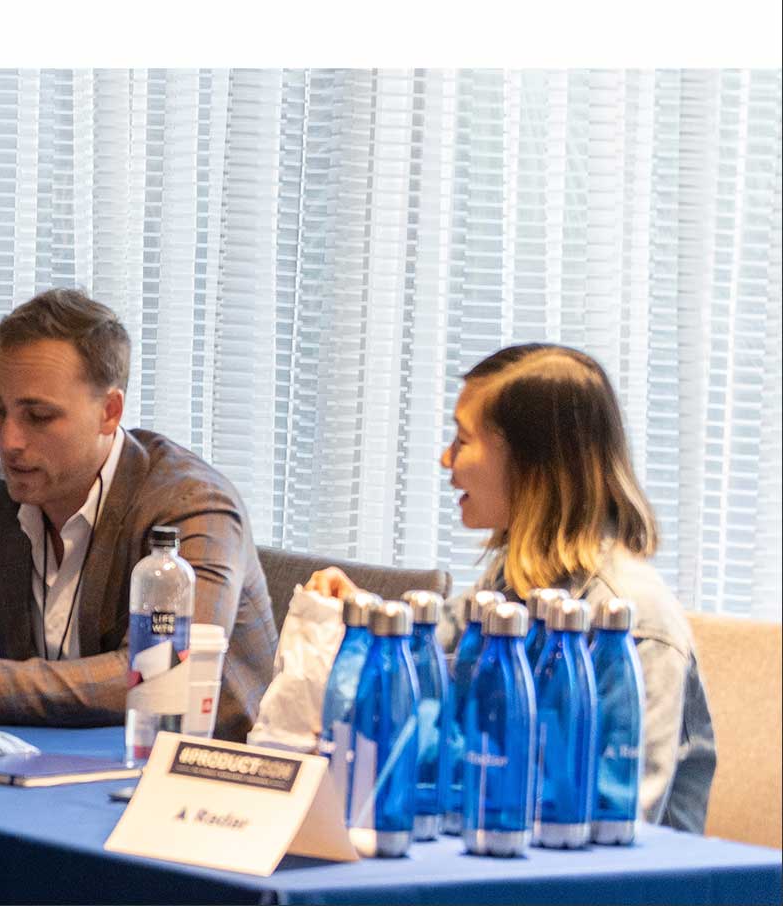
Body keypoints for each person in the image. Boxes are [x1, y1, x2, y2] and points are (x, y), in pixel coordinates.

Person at [305, 343, 715, 831]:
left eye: (462, 440)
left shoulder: (634, 621)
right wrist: (361, 616)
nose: (445, 458)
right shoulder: (512, 580)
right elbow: (428, 662)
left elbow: (621, 819)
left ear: (532, 464)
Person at [0, 289, 277, 735]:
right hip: (46, 763)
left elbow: (162, 673)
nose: (9, 440)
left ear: (109, 412)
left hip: (196, 766)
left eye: (38, 416)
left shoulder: (193, 506)